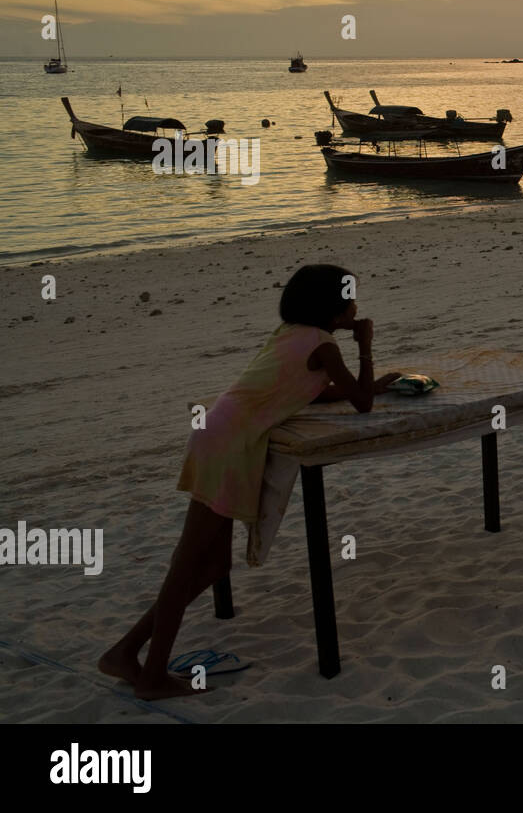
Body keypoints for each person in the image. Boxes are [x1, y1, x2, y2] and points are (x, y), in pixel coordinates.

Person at [99, 264, 400, 699]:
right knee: (185, 567)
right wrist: (366, 348)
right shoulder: (326, 344)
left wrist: (370, 384)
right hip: (230, 447)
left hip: (221, 436)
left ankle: (126, 651)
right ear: (335, 312)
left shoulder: (292, 333)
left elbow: (311, 390)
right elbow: (363, 406)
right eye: (352, 299)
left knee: (214, 566)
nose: (357, 306)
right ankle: (149, 675)